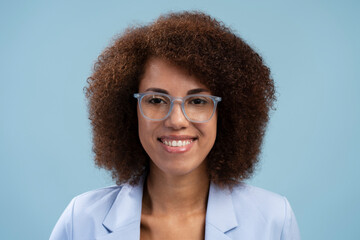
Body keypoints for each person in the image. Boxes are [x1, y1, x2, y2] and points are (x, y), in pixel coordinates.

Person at [50, 11, 300, 240]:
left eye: (198, 101)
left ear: (226, 113)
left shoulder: (273, 221)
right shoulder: (81, 221)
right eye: (156, 100)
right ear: (129, 111)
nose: (176, 121)